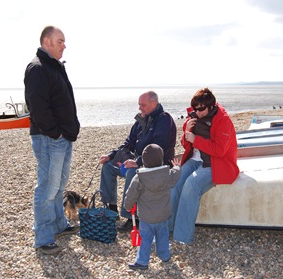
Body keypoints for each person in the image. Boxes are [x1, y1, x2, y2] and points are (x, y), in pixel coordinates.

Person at [24, 26, 80, 255]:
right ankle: (43, 237)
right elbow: (37, 107)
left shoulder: (54, 66)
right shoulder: (37, 68)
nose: (64, 45)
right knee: (47, 188)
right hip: (50, 139)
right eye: (60, 41)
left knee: (58, 186)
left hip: (63, 138)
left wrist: (67, 131)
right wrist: (54, 132)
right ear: (47, 42)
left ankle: (58, 224)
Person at [169, 87, 239, 244]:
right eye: (195, 108)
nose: (197, 112)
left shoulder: (223, 121)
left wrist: (195, 140)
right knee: (175, 181)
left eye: (201, 109)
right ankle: (167, 229)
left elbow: (220, 151)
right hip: (195, 159)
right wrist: (187, 132)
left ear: (211, 106)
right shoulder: (194, 117)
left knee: (191, 184)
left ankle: (182, 237)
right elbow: (186, 143)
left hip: (215, 163)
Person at [98, 91, 177, 231]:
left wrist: (139, 162)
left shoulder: (164, 120)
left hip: (156, 166)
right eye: (139, 105)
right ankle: (111, 209)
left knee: (132, 172)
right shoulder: (141, 120)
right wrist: (111, 155)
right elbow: (128, 143)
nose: (140, 108)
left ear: (154, 103)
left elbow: (160, 147)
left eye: (143, 105)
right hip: (138, 161)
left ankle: (131, 217)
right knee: (108, 167)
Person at [124, 144, 181, 270]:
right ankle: (164, 255)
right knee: (163, 236)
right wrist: (177, 167)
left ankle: (142, 261)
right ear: (161, 160)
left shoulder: (139, 178)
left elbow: (131, 195)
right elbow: (175, 175)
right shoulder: (167, 174)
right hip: (163, 215)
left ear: (143, 161)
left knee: (145, 239)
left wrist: (127, 207)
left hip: (146, 217)